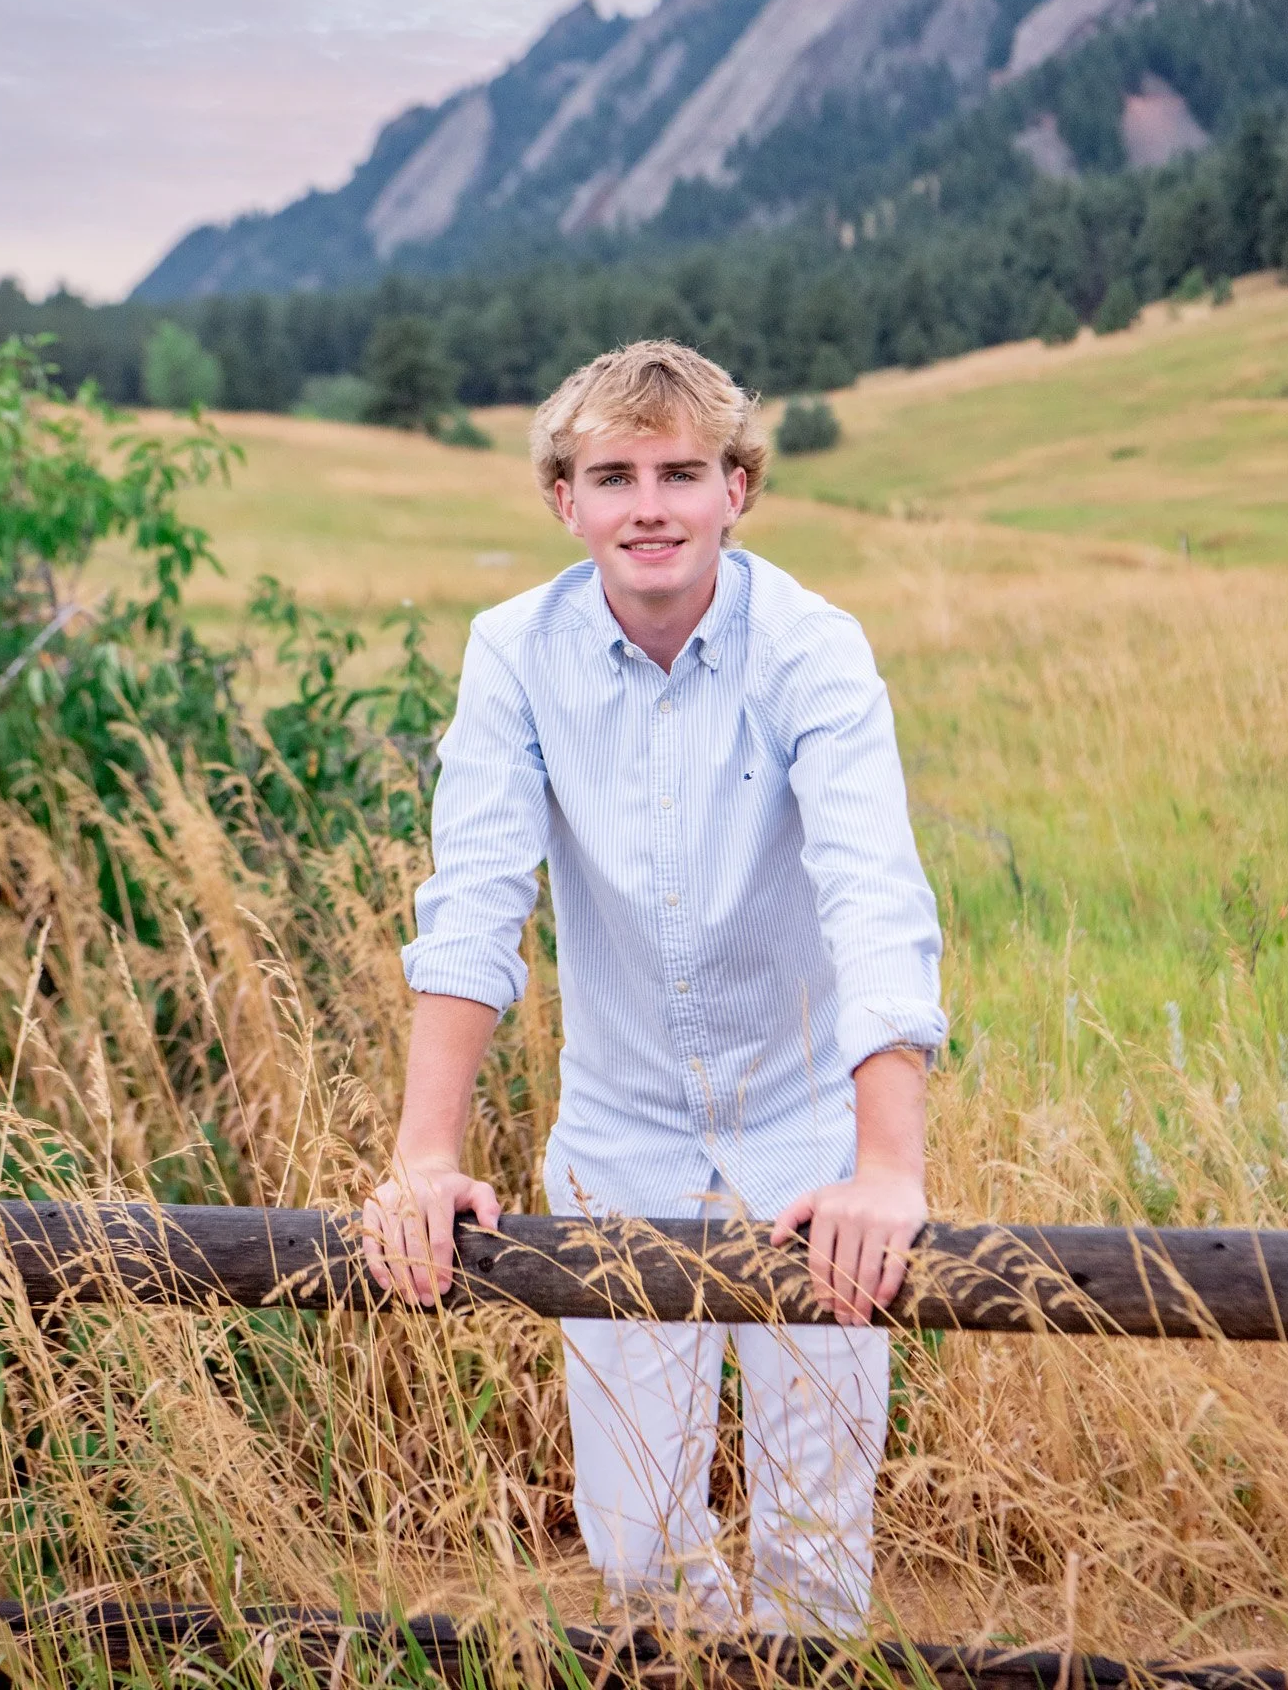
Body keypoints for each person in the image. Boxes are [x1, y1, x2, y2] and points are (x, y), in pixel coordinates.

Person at [362, 340, 946, 1634]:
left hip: (807, 1135)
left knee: (813, 1555)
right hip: (620, 1138)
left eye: (682, 471)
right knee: (636, 1561)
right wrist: (422, 1155)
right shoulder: (514, 652)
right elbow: (473, 903)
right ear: (560, 500)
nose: (649, 505)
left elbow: (873, 896)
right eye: (611, 474)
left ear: (736, 488)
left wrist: (885, 1166)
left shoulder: (814, 648)